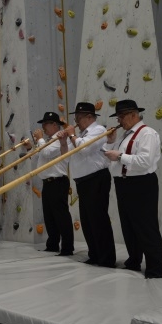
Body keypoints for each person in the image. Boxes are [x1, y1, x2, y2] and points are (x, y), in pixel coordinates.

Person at [102, 99, 162, 279]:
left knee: (146, 226)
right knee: (128, 226)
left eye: (121, 116)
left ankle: (156, 268)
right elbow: (112, 160)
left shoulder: (147, 133)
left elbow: (144, 161)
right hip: (124, 184)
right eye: (118, 117)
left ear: (133, 115)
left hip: (142, 184)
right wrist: (111, 143)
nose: (119, 121)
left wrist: (120, 156)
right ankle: (134, 261)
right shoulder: (126, 135)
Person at [61, 102, 116, 268]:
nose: (76, 120)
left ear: (90, 117)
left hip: (96, 178)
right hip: (83, 181)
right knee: (87, 220)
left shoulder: (98, 130)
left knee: (98, 218)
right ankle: (94, 254)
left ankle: (106, 258)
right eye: (76, 116)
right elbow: (66, 157)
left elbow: (84, 149)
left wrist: (71, 135)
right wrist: (64, 141)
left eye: (79, 116)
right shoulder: (79, 135)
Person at [25, 112, 74, 256]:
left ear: (54, 125)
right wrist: (29, 148)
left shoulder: (60, 138)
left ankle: (67, 247)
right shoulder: (46, 141)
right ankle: (52, 244)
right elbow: (37, 159)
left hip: (58, 181)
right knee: (49, 216)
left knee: (61, 216)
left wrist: (40, 139)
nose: (43, 127)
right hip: (47, 182)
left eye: (45, 124)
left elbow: (46, 153)